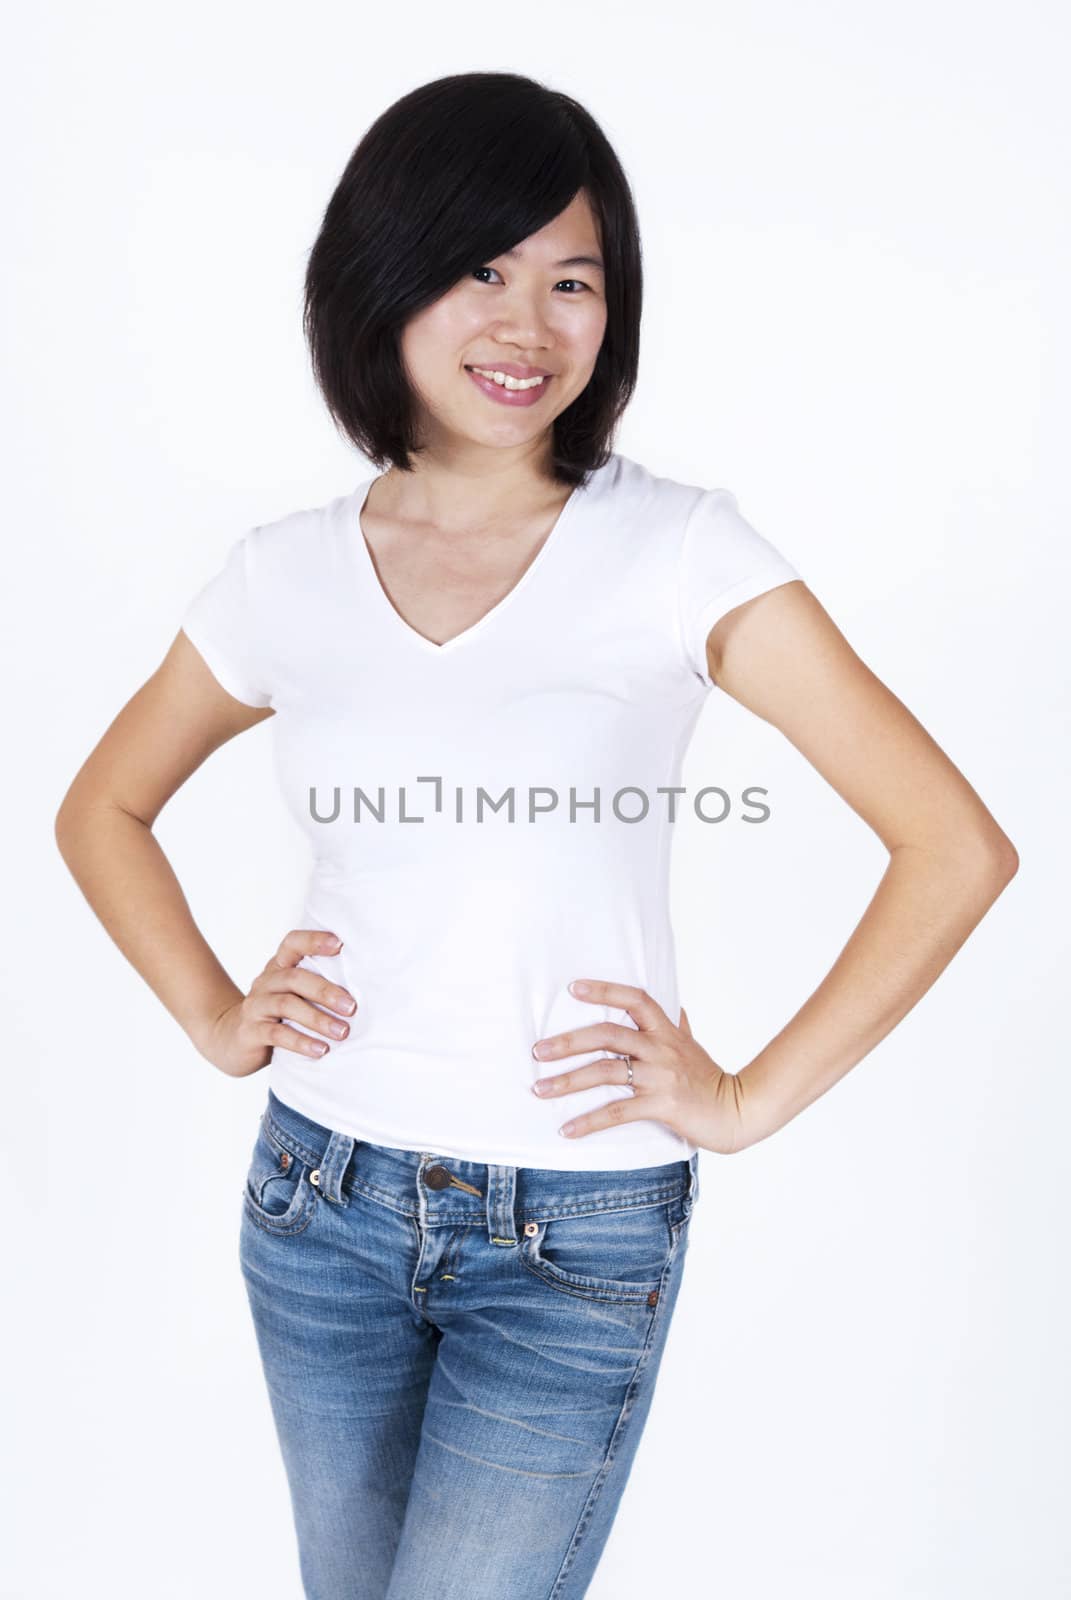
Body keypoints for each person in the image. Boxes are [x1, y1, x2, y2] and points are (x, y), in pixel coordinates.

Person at [54, 70, 1018, 1600]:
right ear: (381, 284)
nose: (528, 323)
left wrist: (748, 1097)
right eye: (479, 269)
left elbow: (954, 844)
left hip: (573, 1232)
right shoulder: (283, 576)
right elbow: (100, 807)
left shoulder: (680, 548)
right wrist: (215, 1012)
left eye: (574, 280)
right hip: (321, 1202)